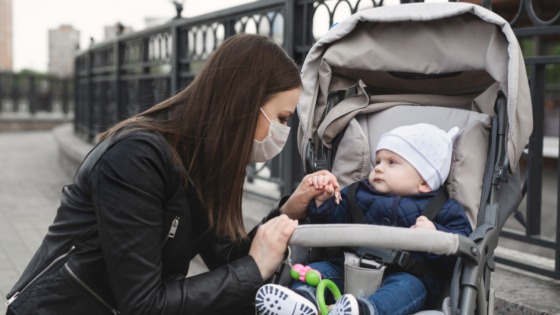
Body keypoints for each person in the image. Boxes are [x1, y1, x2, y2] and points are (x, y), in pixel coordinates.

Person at [5, 34, 340, 315]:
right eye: (281, 118)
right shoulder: (137, 158)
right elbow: (144, 305)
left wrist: (288, 210)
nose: (283, 131)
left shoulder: (207, 160)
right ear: (244, 105)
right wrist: (253, 269)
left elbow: (224, 259)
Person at [256, 123, 473, 315]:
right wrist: (325, 203)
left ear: (424, 181)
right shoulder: (357, 193)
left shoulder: (444, 209)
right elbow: (335, 225)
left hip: (403, 276)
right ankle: (302, 302)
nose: (378, 167)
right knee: (317, 271)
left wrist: (434, 237)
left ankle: (366, 311)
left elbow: (461, 249)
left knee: (409, 288)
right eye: (377, 161)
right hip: (347, 268)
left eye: (392, 162)